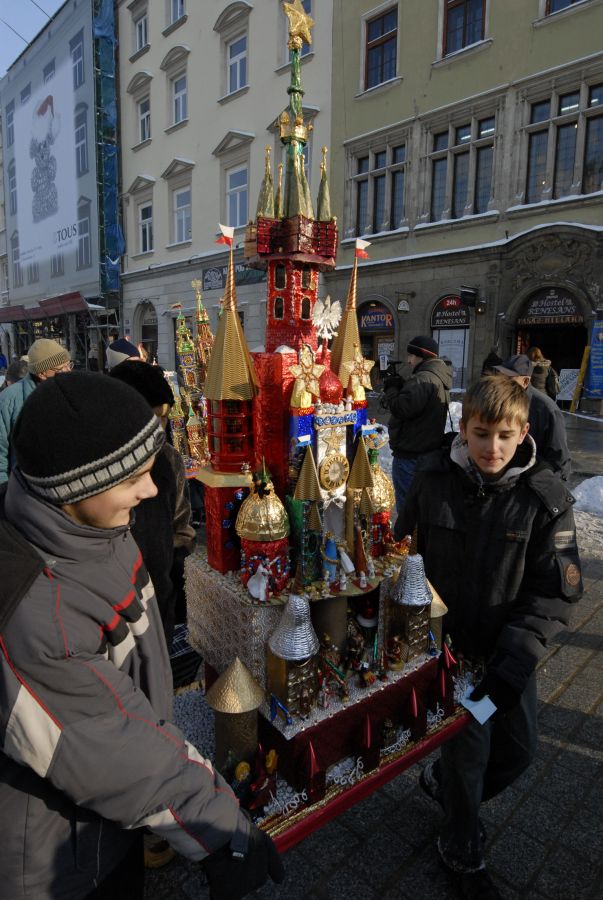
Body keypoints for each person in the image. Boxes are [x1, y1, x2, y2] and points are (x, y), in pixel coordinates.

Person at [0, 372, 283, 900]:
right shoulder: (36, 614)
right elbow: (112, 746)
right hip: (61, 863)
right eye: (134, 478)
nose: (152, 490)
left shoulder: (97, 530)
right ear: (78, 488)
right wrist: (218, 829)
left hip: (108, 829)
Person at [395, 376, 582, 899]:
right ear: (463, 428)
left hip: (505, 658)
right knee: (468, 754)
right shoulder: (433, 478)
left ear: (523, 432)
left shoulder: (545, 500)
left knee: (519, 751)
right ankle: (462, 848)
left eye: (504, 435)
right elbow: (400, 553)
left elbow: (552, 595)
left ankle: (448, 789)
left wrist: (514, 665)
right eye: (481, 433)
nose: (491, 448)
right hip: (449, 655)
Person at [109, 360, 195, 653]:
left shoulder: (169, 459)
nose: (160, 427)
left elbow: (181, 527)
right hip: (116, 609)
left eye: (165, 417)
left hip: (161, 600)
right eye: (153, 417)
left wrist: (176, 582)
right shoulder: (104, 465)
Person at [383, 335, 451, 516]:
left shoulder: (423, 379)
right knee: (420, 506)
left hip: (411, 455)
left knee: (408, 508)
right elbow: (418, 406)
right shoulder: (436, 376)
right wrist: (402, 386)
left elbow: (401, 408)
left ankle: (408, 542)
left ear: (421, 356)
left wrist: (391, 389)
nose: (408, 360)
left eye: (411, 356)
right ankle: (417, 539)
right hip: (425, 451)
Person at [0, 338, 72, 483]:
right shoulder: (9, 400)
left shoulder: (73, 391)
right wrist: (4, 491)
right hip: (26, 492)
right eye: (61, 368)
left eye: (69, 365)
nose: (68, 371)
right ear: (42, 373)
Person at [493, 353, 571, 478]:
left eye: (508, 379)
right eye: (501, 377)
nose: (502, 383)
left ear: (525, 381)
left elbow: (560, 462)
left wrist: (539, 485)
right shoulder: (499, 399)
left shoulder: (547, 409)